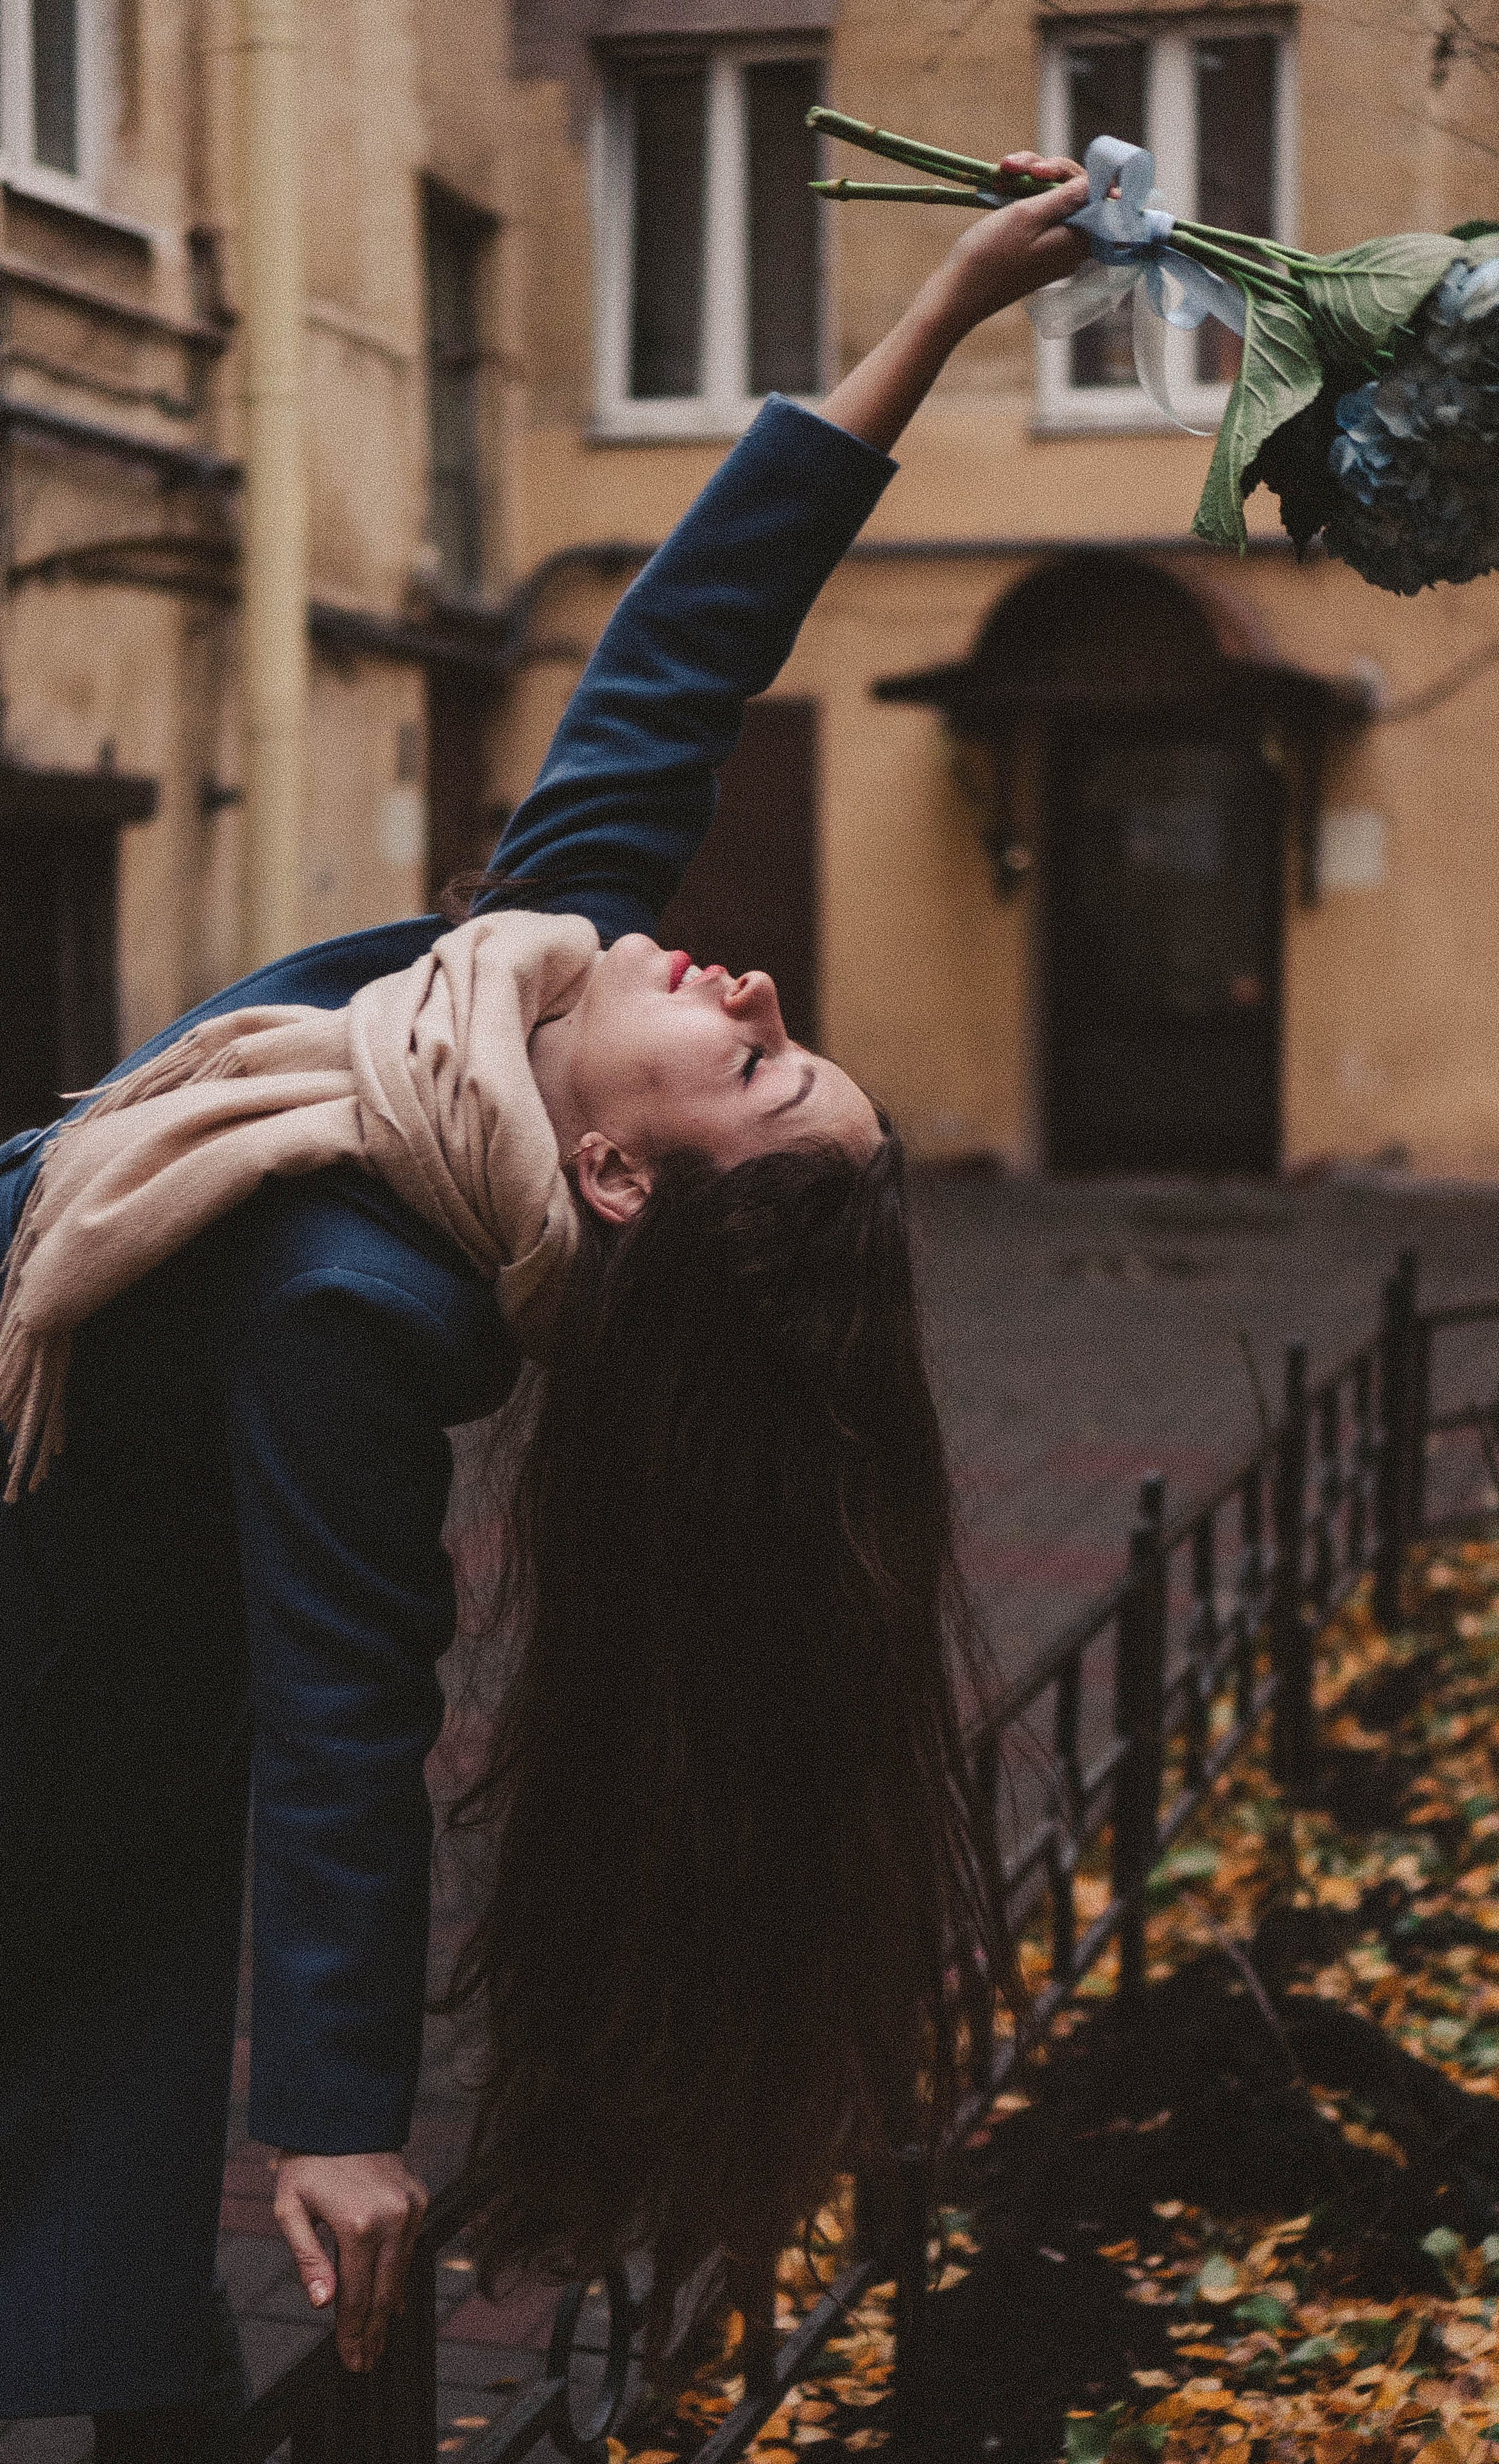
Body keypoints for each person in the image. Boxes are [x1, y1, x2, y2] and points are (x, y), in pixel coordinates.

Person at [0, 154, 1090, 2456]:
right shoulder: (506, 984)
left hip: (50, 1717)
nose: (762, 982)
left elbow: (345, 1717)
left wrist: (336, 2114)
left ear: (610, 1173)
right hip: (84, 1650)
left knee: (95, 2280)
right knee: (96, 2315)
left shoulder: (356, 1291)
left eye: (765, 1068)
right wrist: (956, 307)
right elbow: (690, 636)